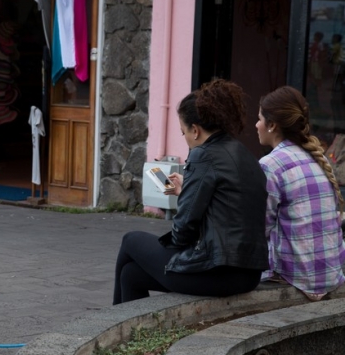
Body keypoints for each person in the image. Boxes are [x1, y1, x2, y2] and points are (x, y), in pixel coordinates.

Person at [113, 79, 268, 305]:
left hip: (218, 273)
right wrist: (188, 191)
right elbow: (228, 208)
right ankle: (126, 336)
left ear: (195, 130)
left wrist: (186, 199)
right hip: (249, 274)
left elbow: (182, 232)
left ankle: (112, 328)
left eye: (183, 131)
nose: (184, 138)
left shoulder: (203, 155)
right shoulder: (245, 155)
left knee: (130, 240)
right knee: (131, 275)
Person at [256, 86, 345, 301]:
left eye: (259, 119)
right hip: (330, 273)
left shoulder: (271, 164)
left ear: (272, 125)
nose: (256, 125)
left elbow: (261, 227)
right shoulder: (316, 158)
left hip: (300, 275)